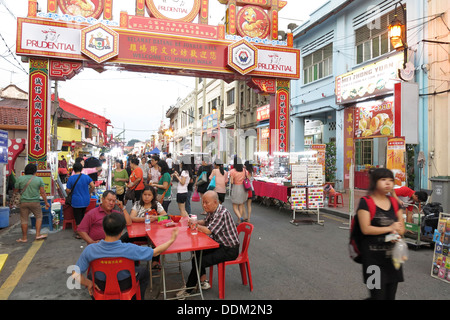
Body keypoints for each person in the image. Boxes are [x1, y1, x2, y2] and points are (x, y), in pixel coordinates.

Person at [72, 211, 178, 300]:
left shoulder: (90, 249)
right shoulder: (129, 248)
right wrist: (172, 239)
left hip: (101, 285)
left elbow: (75, 274)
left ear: (104, 229)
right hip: (125, 285)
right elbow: (155, 252)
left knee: (91, 275)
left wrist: (88, 283)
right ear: (121, 231)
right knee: (144, 272)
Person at [176, 191, 239, 299]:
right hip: (219, 244)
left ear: (215, 202)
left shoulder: (221, 213)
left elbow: (208, 231)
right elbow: (206, 222)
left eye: (206, 203)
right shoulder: (213, 210)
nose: (204, 205)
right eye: (203, 202)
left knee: (201, 261)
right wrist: (195, 221)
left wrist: (194, 225)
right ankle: (203, 281)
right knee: (197, 252)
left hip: (229, 249)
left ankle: (188, 289)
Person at [356, 168, 405, 300]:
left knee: (390, 297)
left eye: (390, 180)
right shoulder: (366, 202)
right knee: (377, 296)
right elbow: (366, 229)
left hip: (393, 260)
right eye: (383, 180)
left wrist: (396, 233)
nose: (388, 183)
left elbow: (401, 228)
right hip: (372, 261)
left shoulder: (395, 203)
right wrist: (390, 227)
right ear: (374, 182)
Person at [13, 163, 50, 242]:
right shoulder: (38, 179)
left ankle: (24, 238)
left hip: (23, 202)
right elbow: (43, 193)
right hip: (35, 202)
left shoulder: (20, 179)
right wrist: (46, 202)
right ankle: (37, 235)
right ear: (35, 171)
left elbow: (15, 191)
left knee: (24, 219)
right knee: (39, 217)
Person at [66, 162, 95, 233]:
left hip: (76, 201)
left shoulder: (71, 178)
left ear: (73, 169)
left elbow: (67, 190)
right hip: (86, 200)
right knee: (82, 216)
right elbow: (93, 186)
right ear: (82, 169)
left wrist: (69, 194)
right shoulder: (86, 177)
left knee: (78, 218)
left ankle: (80, 233)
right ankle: (84, 231)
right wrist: (89, 192)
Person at [229, 156, 248, 223]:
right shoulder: (245, 170)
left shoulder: (232, 171)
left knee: (234, 205)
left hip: (236, 188)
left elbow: (231, 182)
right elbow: (247, 178)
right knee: (241, 204)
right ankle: (239, 220)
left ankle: (240, 217)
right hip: (243, 188)